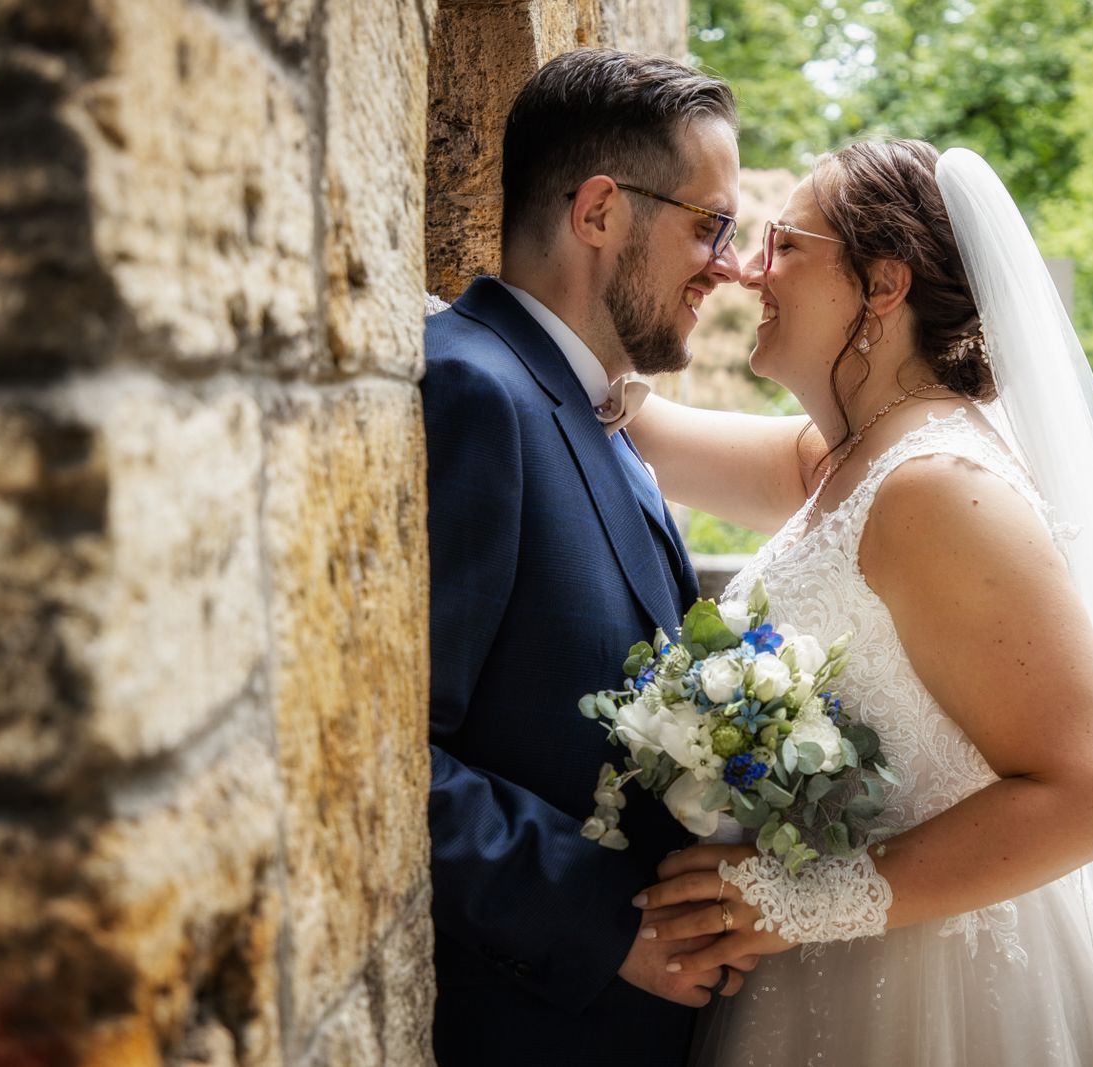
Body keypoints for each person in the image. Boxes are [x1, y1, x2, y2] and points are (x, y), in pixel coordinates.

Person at [623, 141, 1093, 1064]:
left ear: (882, 285)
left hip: (946, 995)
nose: (752, 269)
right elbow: (633, 422)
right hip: (810, 979)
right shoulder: (840, 458)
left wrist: (798, 899)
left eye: (785, 243)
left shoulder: (939, 486)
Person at [420, 49, 751, 1066]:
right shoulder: (473, 393)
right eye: (711, 225)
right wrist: (611, 926)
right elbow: (388, 756)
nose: (729, 264)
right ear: (601, 211)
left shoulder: (604, 412)